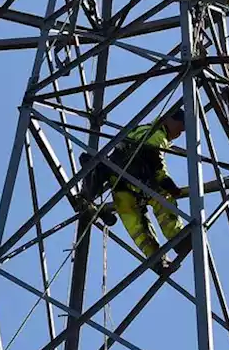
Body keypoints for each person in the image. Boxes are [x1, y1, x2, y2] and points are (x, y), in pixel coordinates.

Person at [82, 107, 191, 272]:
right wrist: (167, 183)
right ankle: (179, 239)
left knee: (135, 223)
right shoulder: (156, 133)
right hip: (141, 177)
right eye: (180, 127)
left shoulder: (139, 130)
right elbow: (153, 156)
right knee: (163, 200)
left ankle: (156, 259)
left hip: (119, 183)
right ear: (168, 119)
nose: (179, 133)